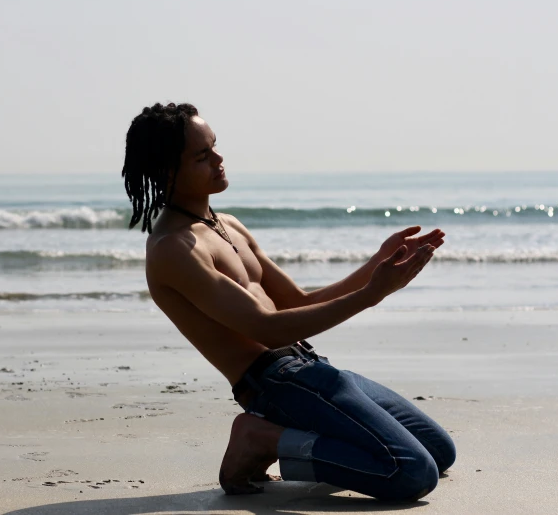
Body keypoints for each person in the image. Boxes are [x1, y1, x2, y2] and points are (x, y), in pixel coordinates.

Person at [121, 102, 455, 502]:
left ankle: (282, 439)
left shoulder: (228, 225)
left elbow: (296, 301)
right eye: (202, 155)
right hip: (273, 384)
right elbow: (265, 327)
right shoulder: (172, 248)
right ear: (168, 172)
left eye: (215, 146)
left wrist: (375, 266)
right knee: (412, 473)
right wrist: (371, 295)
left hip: (310, 367)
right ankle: (263, 439)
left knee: (439, 451)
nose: (219, 159)